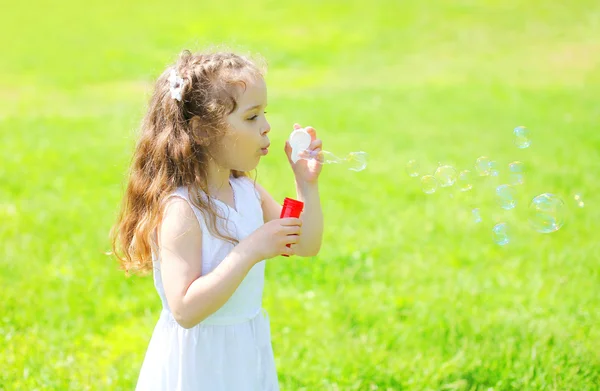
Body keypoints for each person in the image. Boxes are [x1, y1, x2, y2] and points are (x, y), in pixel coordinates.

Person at [110, 48, 324, 390]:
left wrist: (305, 185)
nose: (267, 127)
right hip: (200, 363)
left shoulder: (246, 192)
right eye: (252, 117)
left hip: (244, 350)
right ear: (204, 131)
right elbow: (185, 310)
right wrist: (250, 249)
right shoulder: (183, 209)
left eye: (264, 114)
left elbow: (306, 244)